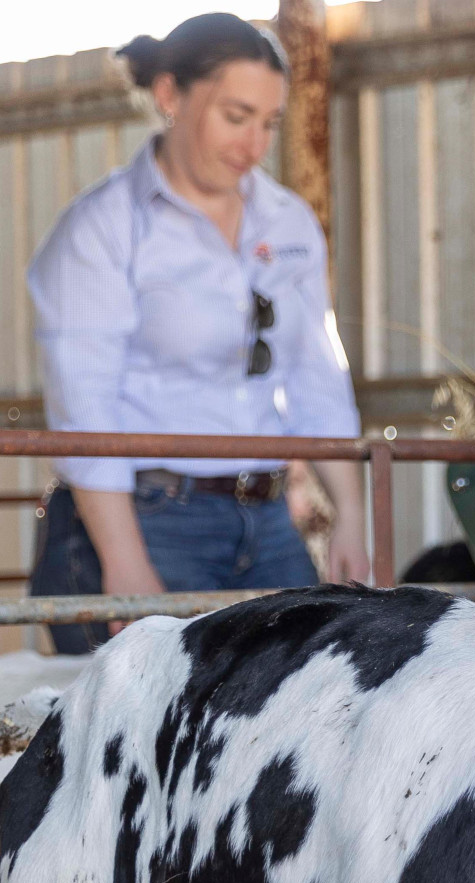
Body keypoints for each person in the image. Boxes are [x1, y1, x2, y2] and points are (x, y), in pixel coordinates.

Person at [27, 12, 369, 654]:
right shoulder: (104, 229)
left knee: (305, 696)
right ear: (169, 97)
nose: (254, 143)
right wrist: (124, 566)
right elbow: (85, 403)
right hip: (148, 517)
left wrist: (350, 514)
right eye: (235, 116)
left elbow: (315, 371)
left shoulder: (289, 222)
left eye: (269, 122)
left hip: (268, 519)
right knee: (153, 724)